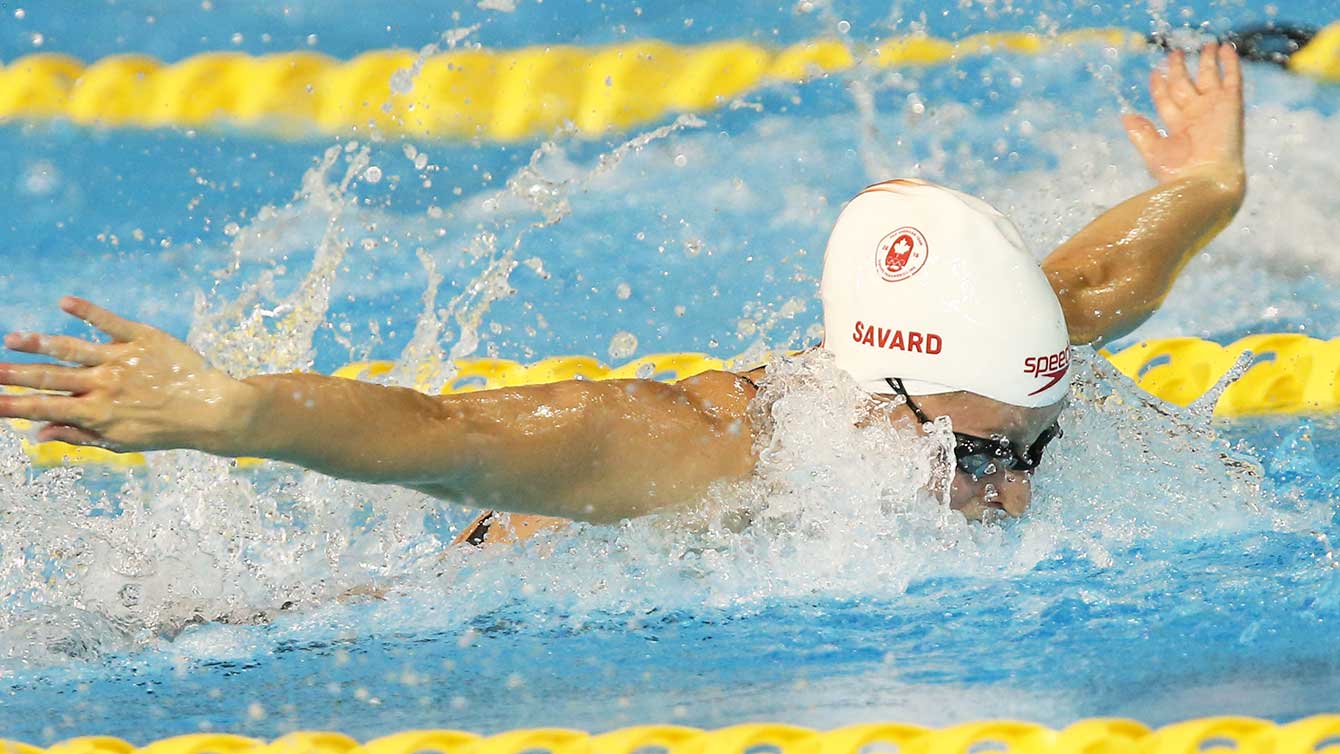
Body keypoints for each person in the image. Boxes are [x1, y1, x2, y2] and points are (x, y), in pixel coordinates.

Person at [0, 45, 1245, 548]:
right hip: (483, 583)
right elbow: (451, 435)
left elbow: (1097, 276)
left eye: (1033, 442)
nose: (1013, 489)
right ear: (883, 392)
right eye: (978, 456)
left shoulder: (999, 351)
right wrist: (231, 413)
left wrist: (1208, 183)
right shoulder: (707, 453)